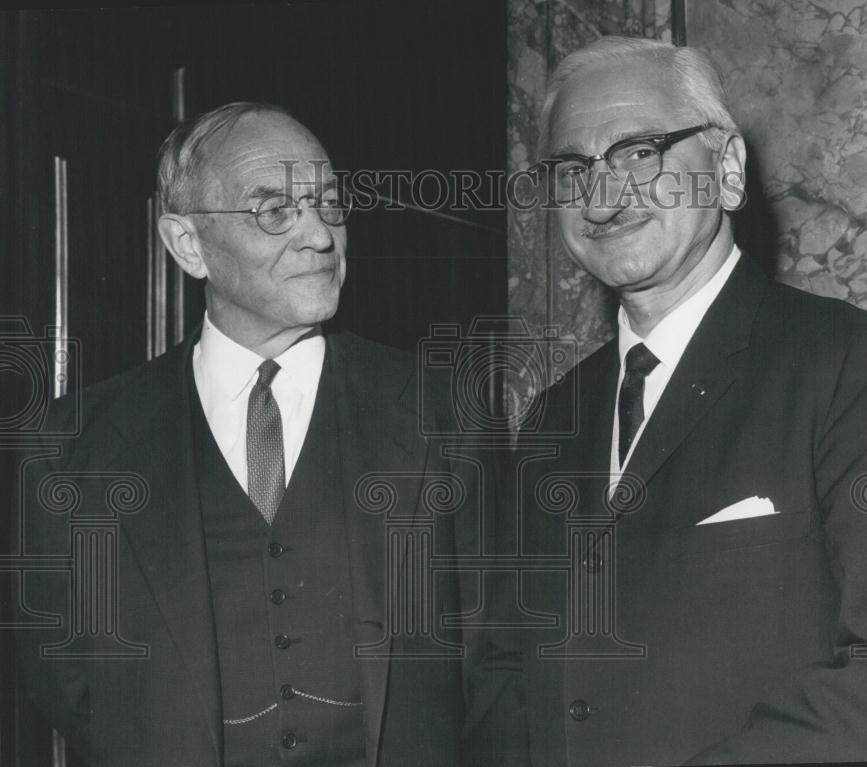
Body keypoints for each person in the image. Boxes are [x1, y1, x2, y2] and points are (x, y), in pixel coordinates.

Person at [514, 36, 867, 765]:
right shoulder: (553, 414)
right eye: (573, 168)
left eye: (641, 151)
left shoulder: (857, 367)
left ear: (729, 170)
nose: (603, 195)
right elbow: (507, 674)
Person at [15, 102, 515, 766]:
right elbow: (71, 686)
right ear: (187, 243)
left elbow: (496, 662)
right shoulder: (69, 449)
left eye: (329, 204)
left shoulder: (445, 412)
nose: (319, 236)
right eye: (275, 210)